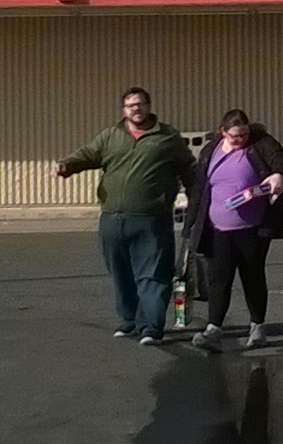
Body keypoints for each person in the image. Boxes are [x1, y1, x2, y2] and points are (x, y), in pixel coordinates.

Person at [55, 86, 198, 346]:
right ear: (124, 110)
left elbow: (189, 169)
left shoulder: (166, 137)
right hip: (113, 218)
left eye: (141, 104)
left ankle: (151, 327)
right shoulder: (111, 136)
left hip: (152, 220)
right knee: (121, 273)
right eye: (131, 105)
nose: (136, 109)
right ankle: (129, 321)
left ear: (149, 106)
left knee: (153, 274)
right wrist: (67, 166)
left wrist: (199, 201)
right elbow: (88, 154)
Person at [182, 109, 283, 351]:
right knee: (218, 279)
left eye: (244, 134)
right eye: (235, 136)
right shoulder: (210, 150)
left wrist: (277, 175)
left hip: (252, 229)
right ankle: (214, 329)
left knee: (252, 275)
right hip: (217, 229)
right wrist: (190, 224)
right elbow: (199, 188)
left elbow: (282, 160)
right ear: (223, 132)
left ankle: (257, 327)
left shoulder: (260, 143)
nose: (240, 140)